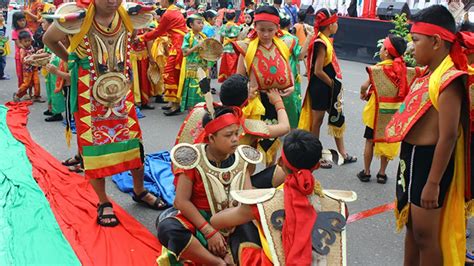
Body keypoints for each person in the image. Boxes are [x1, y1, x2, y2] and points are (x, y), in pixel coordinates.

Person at [43, 0, 167, 227]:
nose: (113, 1)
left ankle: (139, 190)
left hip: (121, 93)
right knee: (94, 148)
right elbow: (48, 39)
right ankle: (103, 201)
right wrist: (72, 59)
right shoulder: (76, 17)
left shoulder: (129, 14)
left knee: (133, 142)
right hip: (88, 94)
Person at [384, 5, 471, 265]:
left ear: (435, 42)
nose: (411, 48)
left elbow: (448, 136)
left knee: (425, 236)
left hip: (430, 163)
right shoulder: (427, 76)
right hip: (409, 159)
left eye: (415, 40)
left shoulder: (450, 81)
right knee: (411, 227)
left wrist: (433, 183)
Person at [210, 129, 348, 264]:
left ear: (281, 162)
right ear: (317, 165)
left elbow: (216, 221)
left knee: (241, 227)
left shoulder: (263, 203)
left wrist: (244, 185)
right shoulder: (337, 204)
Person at [156, 106, 262, 264]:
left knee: (259, 231)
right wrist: (209, 231)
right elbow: (181, 201)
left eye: (236, 133)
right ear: (211, 138)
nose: (235, 139)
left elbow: (246, 199)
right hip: (200, 220)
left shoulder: (242, 157)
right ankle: (216, 262)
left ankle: (229, 254)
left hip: (234, 219)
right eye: (228, 135)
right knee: (167, 228)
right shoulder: (193, 158)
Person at [233, 5, 294, 166]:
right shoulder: (246, 47)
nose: (266, 34)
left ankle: (269, 181)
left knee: (271, 144)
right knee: (249, 145)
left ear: (277, 28)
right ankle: (247, 178)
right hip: (253, 103)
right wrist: (246, 92)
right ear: (255, 27)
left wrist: (291, 86)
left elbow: (286, 71)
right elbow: (239, 78)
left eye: (270, 30)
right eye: (261, 30)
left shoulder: (283, 45)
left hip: (274, 100)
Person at [299, 8, 356, 169]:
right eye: (336, 23)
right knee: (317, 122)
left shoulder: (325, 39)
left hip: (327, 86)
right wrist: (333, 85)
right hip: (321, 88)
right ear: (330, 25)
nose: (337, 26)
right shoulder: (321, 42)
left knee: (337, 117)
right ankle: (314, 156)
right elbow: (318, 70)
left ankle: (343, 153)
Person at [357, 35, 414, 184]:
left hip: (376, 113)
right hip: (394, 113)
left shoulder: (378, 69)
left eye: (382, 48)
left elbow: (364, 86)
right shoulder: (404, 70)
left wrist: (363, 94)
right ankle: (382, 173)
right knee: (387, 140)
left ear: (387, 53)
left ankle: (366, 171)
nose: (380, 51)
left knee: (369, 140)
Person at [139, 0, 188, 116]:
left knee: (170, 73)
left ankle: (176, 103)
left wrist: (142, 37)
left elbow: (159, 31)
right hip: (175, 44)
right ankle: (172, 101)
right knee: (170, 73)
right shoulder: (175, 10)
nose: (159, 1)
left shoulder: (168, 13)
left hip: (176, 46)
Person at [279, 11, 311, 128]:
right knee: (291, 101)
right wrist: (309, 37)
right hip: (289, 73)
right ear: (288, 25)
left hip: (275, 73)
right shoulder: (291, 39)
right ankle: (292, 126)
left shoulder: (273, 38)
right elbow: (300, 55)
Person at [179, 14, 207, 112]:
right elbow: (185, 53)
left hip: (202, 67)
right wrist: (196, 47)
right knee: (193, 88)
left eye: (202, 23)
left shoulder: (203, 36)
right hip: (192, 68)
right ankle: (192, 109)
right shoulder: (188, 37)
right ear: (191, 25)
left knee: (202, 87)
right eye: (199, 23)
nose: (201, 25)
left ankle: (201, 108)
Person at [41, 14, 64, 122]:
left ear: (51, 24)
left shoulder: (55, 36)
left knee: (56, 88)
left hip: (56, 64)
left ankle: (57, 112)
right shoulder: (47, 35)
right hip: (50, 65)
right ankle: (51, 108)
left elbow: (51, 54)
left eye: (44, 22)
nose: (42, 24)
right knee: (49, 87)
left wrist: (36, 57)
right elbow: (47, 51)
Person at [13, 30, 43, 103]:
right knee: (26, 84)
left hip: (34, 68)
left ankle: (36, 96)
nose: (28, 43)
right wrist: (30, 59)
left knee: (37, 82)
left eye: (29, 41)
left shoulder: (31, 47)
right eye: (25, 41)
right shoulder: (22, 50)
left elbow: (34, 54)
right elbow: (23, 61)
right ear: (21, 42)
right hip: (27, 70)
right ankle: (17, 94)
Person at [131, 28, 155, 110]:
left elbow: (149, 40)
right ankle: (136, 101)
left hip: (143, 55)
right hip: (131, 55)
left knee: (144, 78)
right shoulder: (126, 24)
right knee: (134, 79)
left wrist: (151, 56)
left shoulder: (145, 26)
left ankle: (145, 101)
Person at [218, 9, 241, 83]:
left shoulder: (223, 27)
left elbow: (221, 40)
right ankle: (233, 82)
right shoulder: (238, 27)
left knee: (225, 67)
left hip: (225, 50)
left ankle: (226, 82)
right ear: (234, 18)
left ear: (225, 18)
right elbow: (239, 39)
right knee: (233, 67)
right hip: (234, 50)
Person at [12, 11, 31, 87]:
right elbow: (18, 44)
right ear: (15, 22)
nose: (22, 22)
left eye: (23, 20)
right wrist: (26, 49)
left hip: (29, 55)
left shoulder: (28, 30)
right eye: (20, 21)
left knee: (29, 73)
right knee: (20, 73)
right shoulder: (14, 32)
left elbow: (31, 41)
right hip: (19, 56)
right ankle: (22, 90)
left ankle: (29, 89)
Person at [0, 12, 10, 80]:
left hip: (3, 46)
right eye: (0, 15)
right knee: (2, 61)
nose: (2, 16)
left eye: (2, 15)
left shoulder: (3, 25)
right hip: (1, 47)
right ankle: (1, 75)